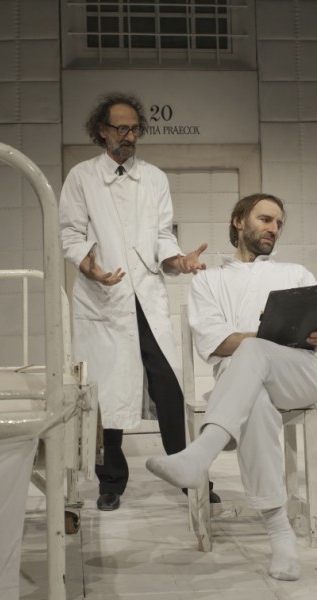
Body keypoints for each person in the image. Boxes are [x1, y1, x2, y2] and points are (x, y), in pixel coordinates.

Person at [146, 193, 317, 581]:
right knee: (257, 399)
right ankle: (281, 537)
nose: (273, 228)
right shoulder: (209, 281)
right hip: (246, 384)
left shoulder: (297, 274)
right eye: (265, 219)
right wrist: (263, 341)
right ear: (239, 221)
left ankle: (201, 452)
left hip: (301, 374)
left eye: (279, 223)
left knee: (252, 350)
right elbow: (215, 343)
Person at [59, 92, 213, 512]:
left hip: (145, 295)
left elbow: (162, 235)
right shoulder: (82, 177)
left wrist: (178, 260)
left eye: (135, 129)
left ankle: (187, 475)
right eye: (121, 129)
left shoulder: (154, 178)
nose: (129, 136)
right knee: (105, 392)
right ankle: (110, 481)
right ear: (102, 131)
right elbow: (70, 233)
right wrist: (89, 266)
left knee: (168, 387)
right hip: (104, 299)